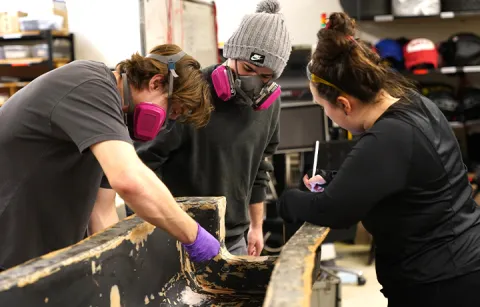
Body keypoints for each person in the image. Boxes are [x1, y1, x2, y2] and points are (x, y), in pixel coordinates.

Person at [277, 12, 480, 307]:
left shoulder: (388, 137)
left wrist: (287, 200)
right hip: (459, 263)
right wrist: (335, 180)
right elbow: (399, 178)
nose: (326, 114)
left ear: (345, 104)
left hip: (440, 282)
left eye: (324, 107)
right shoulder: (416, 103)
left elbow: (332, 211)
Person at [94, 0, 292, 256]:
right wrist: (149, 236)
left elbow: (260, 168)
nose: (253, 82)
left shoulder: (269, 107)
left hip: (235, 238)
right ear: (230, 55)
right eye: (248, 69)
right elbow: (141, 166)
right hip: (177, 238)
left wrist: (256, 225)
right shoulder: (188, 97)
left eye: (265, 77)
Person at [0, 44, 220, 271]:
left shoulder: (116, 119)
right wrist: (193, 235)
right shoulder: (89, 85)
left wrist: (117, 275)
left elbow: (102, 211)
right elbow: (130, 181)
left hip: (40, 256)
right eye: (172, 111)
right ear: (156, 83)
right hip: (9, 251)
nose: (166, 125)